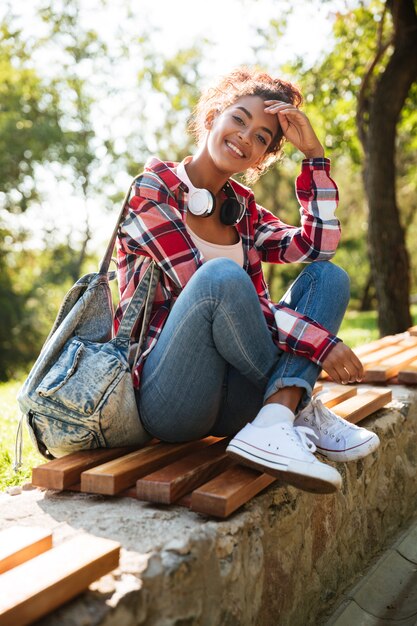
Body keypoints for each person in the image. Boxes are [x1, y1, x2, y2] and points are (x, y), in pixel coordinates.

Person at [115, 67, 379, 495]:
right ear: (213, 116)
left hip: (237, 399)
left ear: (263, 158)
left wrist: (313, 156)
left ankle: (276, 417)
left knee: (327, 277)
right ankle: (299, 404)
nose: (245, 136)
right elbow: (207, 291)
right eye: (239, 119)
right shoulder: (153, 190)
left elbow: (318, 245)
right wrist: (319, 344)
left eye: (261, 137)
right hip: (171, 400)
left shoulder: (242, 208)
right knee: (220, 276)